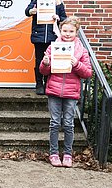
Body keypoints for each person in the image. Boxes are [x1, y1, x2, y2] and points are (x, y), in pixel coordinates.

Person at [39, 16, 92, 168]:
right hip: (54, 90)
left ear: (76, 32)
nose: (67, 34)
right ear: (60, 30)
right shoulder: (53, 46)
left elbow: (87, 73)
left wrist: (77, 64)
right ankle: (54, 153)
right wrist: (45, 63)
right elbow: (43, 71)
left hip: (71, 92)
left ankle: (68, 154)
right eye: (65, 30)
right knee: (54, 123)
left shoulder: (81, 50)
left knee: (68, 124)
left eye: (71, 31)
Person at [25, 0, 67, 95]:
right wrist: (33, 11)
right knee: (39, 60)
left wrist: (58, 18)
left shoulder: (58, 3)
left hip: (52, 36)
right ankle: (38, 84)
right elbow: (27, 11)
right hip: (39, 35)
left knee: (51, 61)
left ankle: (47, 83)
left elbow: (64, 18)